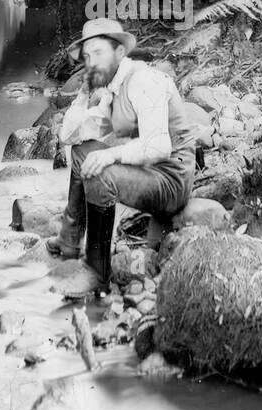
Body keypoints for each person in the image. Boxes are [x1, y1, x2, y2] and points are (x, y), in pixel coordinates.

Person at [44, 18, 199, 296]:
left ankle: (96, 272)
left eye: (98, 53)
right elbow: (71, 136)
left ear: (119, 53)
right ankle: (69, 240)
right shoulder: (112, 90)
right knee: (83, 154)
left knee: (101, 173)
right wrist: (83, 94)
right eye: (87, 57)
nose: (91, 63)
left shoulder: (144, 79)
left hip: (171, 182)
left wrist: (112, 155)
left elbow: (159, 147)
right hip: (149, 174)